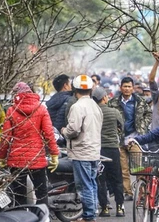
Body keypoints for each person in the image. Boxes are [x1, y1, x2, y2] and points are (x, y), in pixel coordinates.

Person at [0, 82, 59, 206]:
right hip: (37, 159)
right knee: (41, 193)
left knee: (19, 195)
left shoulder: (11, 110)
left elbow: (6, 137)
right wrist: (54, 154)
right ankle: (43, 218)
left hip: (17, 160)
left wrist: (2, 156)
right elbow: (48, 134)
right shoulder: (41, 108)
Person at [62, 75, 103, 222]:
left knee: (84, 186)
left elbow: (73, 130)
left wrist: (63, 131)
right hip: (93, 151)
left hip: (81, 152)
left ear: (74, 89)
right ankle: (92, 214)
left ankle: (88, 217)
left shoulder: (77, 106)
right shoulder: (95, 106)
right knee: (91, 184)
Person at [108, 76, 152, 201]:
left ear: (133, 88)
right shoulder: (113, 102)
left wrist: (142, 126)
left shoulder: (140, 101)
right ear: (121, 87)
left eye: (129, 87)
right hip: (119, 139)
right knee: (123, 168)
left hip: (135, 139)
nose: (127, 89)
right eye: (125, 86)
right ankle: (128, 192)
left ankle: (141, 192)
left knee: (139, 167)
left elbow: (148, 114)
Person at [91, 87, 125, 217]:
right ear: (104, 98)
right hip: (112, 150)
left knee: (101, 179)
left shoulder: (93, 113)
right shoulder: (114, 112)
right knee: (117, 179)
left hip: (98, 150)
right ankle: (120, 208)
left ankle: (104, 208)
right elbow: (122, 127)